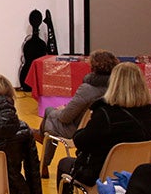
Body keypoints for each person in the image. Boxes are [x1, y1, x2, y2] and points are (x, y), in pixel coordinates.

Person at [42, 62, 151, 194]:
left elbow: (82, 141)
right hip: (135, 174)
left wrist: (82, 131)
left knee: (65, 164)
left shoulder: (105, 113)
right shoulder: (150, 112)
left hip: (101, 175)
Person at [33, 49, 119, 179]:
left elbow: (65, 117)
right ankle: (42, 139)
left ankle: (43, 162)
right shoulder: (116, 88)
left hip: (80, 131)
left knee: (50, 113)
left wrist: (61, 110)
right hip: (104, 131)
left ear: (92, 67)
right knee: (50, 118)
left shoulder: (87, 89)